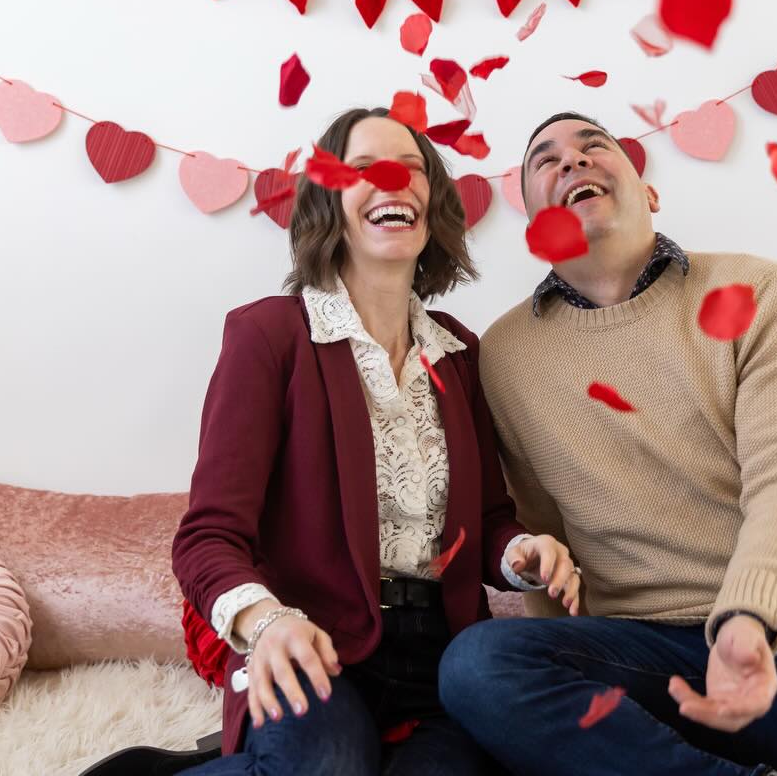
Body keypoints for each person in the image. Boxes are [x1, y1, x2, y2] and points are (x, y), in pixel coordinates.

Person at [437, 112, 777, 776]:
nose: (573, 162)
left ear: (650, 193)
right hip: (643, 658)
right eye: (545, 160)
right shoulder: (503, 357)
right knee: (479, 666)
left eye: (595, 148)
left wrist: (747, 622)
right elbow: (541, 530)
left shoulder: (765, 294)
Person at [173, 107, 582, 776]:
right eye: (363, 169)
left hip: (442, 660)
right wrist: (267, 623)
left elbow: (487, 522)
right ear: (328, 202)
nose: (393, 182)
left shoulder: (459, 352)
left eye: (412, 170)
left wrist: (522, 554)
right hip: (312, 647)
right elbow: (207, 538)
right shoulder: (269, 337)